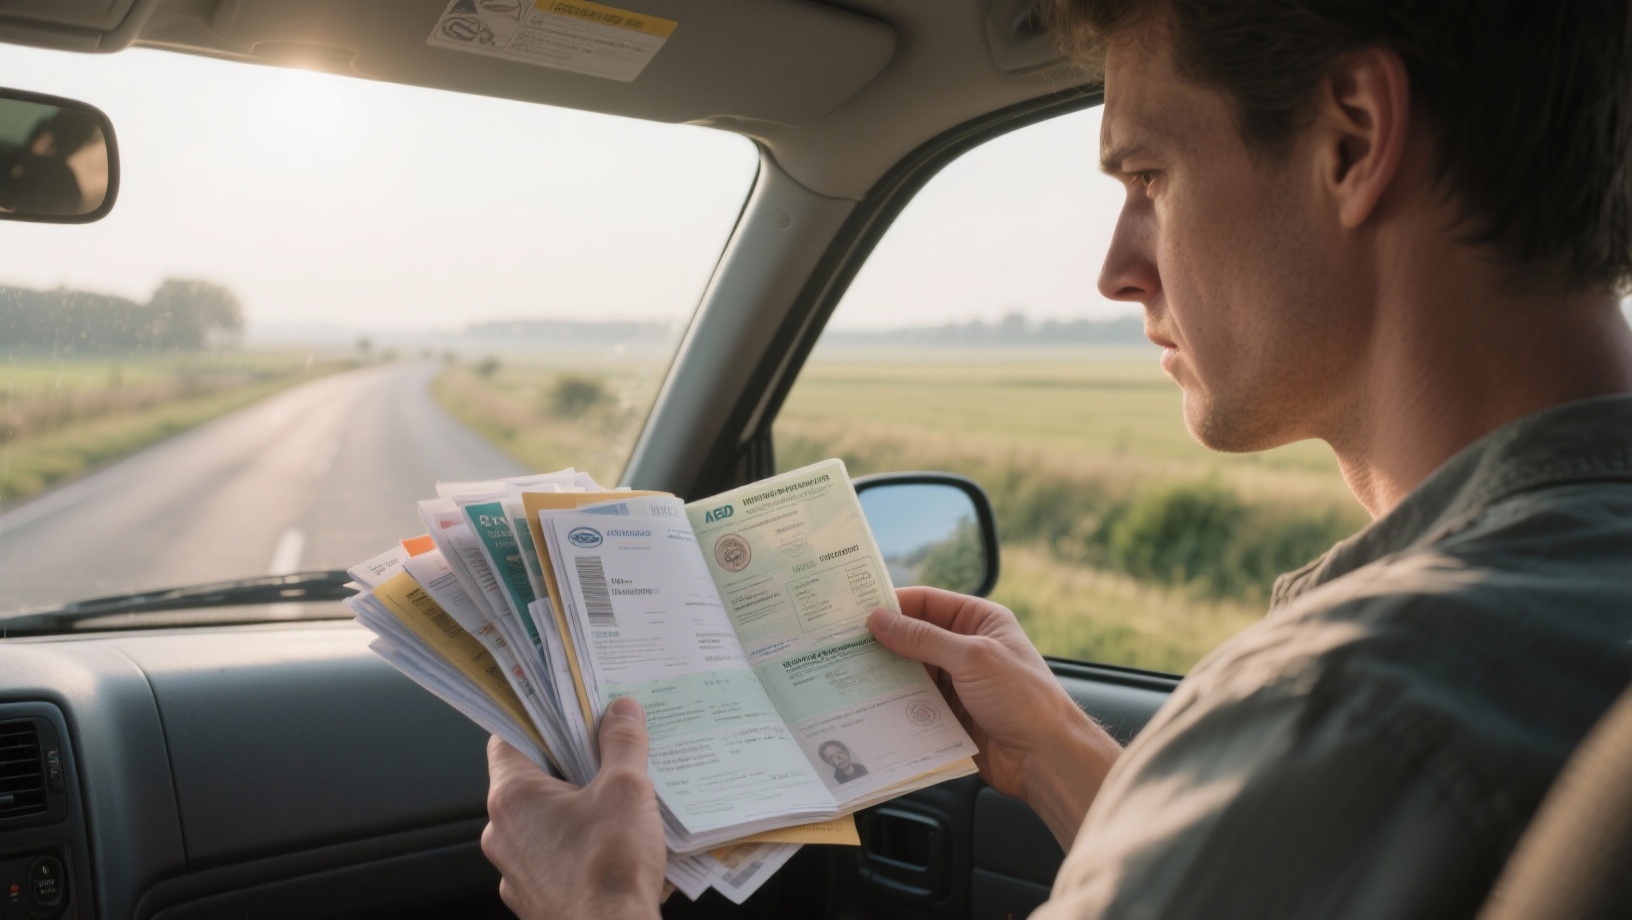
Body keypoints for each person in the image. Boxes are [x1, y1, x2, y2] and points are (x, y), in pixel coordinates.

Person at [480, 1, 1632, 917]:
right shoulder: (1530, 637)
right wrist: (1067, 755)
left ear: (1354, 137)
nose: (1116, 269)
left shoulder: (1356, 701)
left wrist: (604, 899)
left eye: (1148, 179)